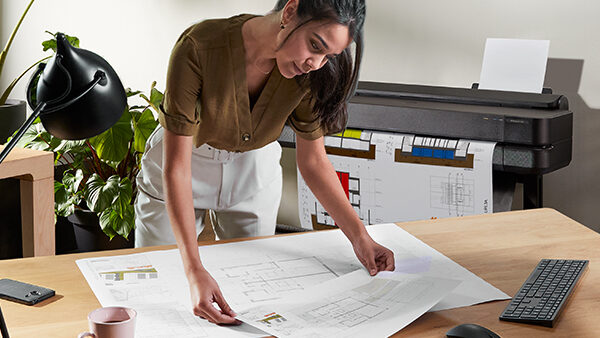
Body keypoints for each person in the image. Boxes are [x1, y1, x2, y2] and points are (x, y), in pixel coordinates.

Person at [134, 0, 395, 325]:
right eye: (315, 45)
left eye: (328, 55)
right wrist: (194, 269)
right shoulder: (199, 46)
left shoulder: (309, 72)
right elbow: (177, 168)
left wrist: (361, 238)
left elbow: (313, 161)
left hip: (253, 170)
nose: (316, 63)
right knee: (159, 290)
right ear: (289, 11)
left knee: (249, 298)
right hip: (184, 160)